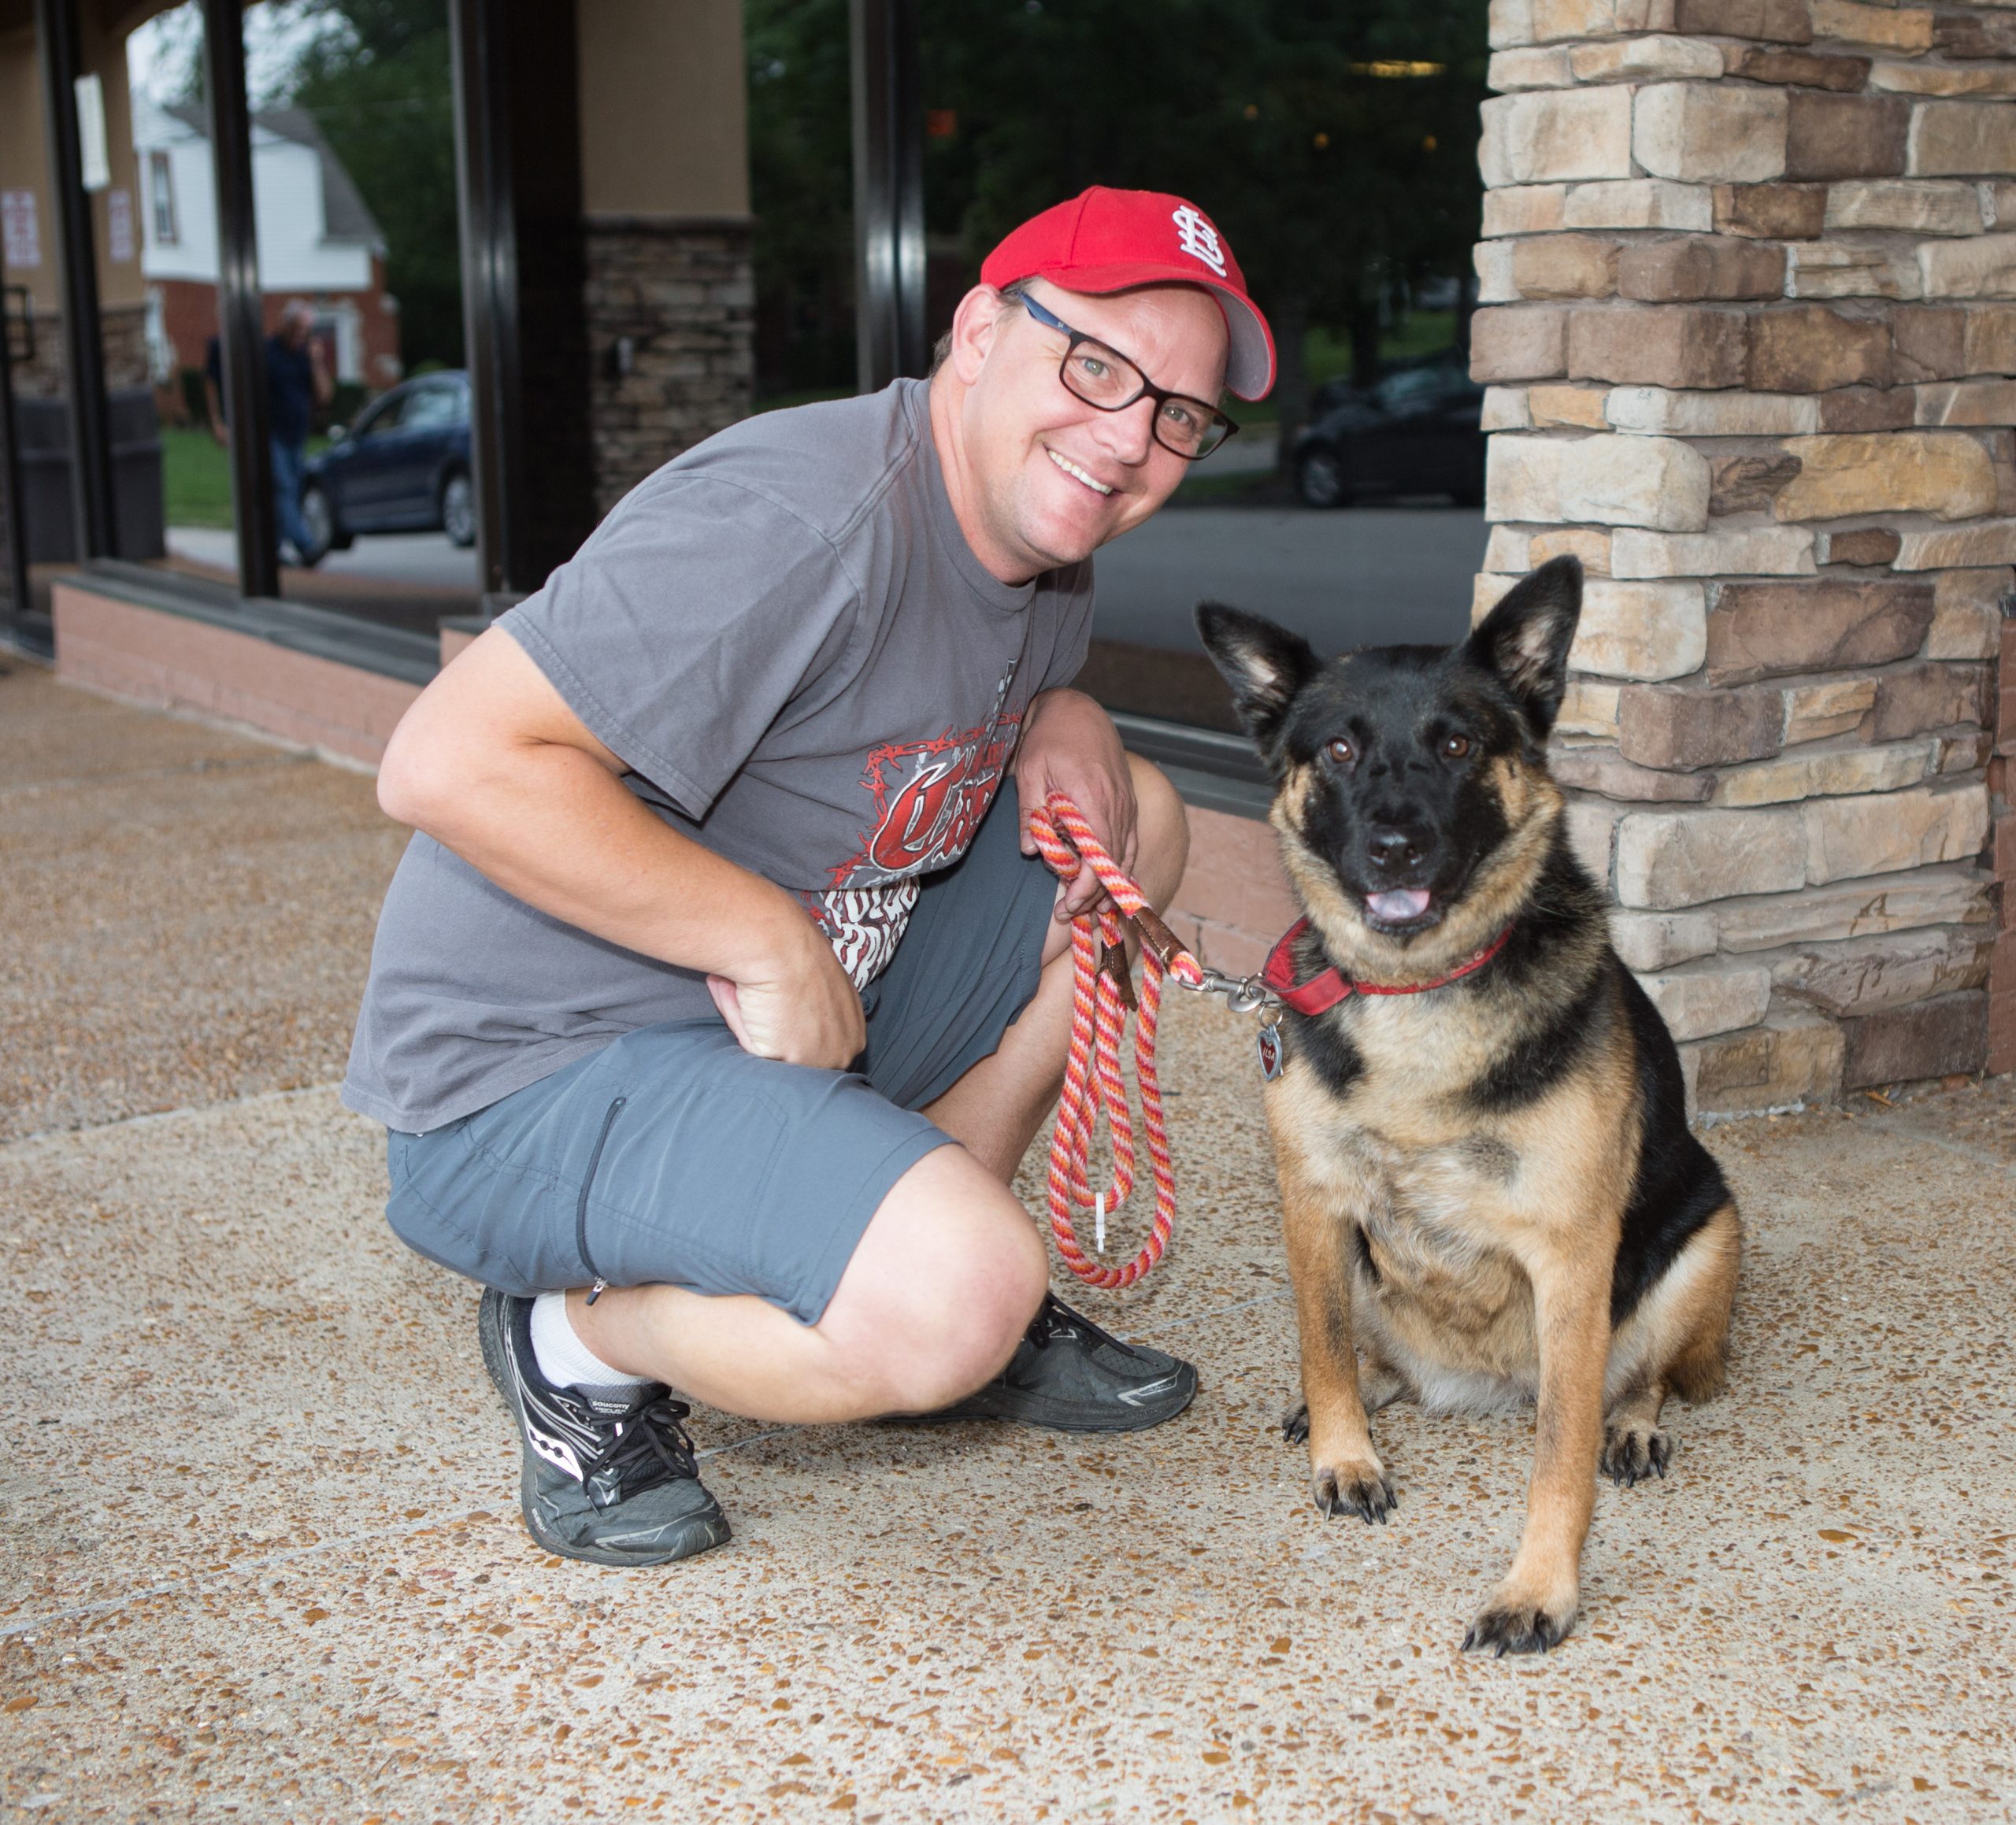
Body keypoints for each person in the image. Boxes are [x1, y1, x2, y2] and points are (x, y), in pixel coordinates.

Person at [343, 187, 1277, 1568]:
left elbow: (936, 687)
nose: (1130, 436)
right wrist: (765, 940)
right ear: (980, 332)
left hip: (783, 1030)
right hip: (530, 1072)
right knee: (952, 1295)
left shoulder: (1037, 546)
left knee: (1137, 818)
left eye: (1179, 414)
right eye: (1096, 365)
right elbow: (444, 759)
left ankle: (922, 1235)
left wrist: (1064, 712)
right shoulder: (797, 516)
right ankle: (576, 1342)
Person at [205, 300, 334, 567]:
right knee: (282, 487)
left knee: (291, 491)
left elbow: (324, 396)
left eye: (305, 331)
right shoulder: (267, 352)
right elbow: (220, 379)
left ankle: (271, 549)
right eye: (296, 328)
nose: (300, 335)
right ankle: (306, 545)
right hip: (270, 434)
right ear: (285, 325)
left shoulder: (305, 356)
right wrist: (220, 422)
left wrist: (317, 361)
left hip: (297, 434)